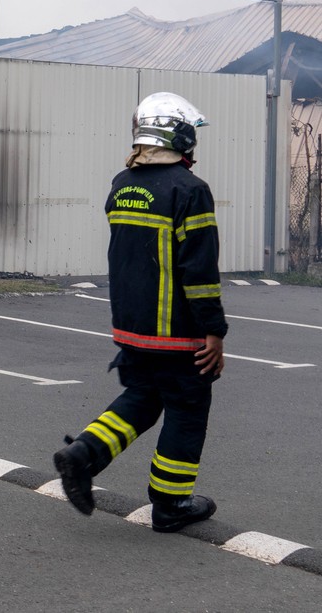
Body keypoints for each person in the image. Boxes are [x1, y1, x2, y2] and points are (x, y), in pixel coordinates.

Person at [53, 91, 228, 533]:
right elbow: (200, 271)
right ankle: (171, 505)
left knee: (144, 399)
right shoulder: (190, 190)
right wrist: (214, 331)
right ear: (181, 136)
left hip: (132, 329)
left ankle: (83, 455)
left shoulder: (122, 184)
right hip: (179, 333)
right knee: (187, 410)